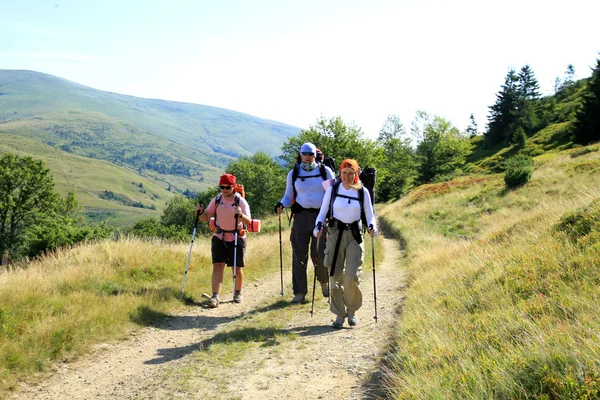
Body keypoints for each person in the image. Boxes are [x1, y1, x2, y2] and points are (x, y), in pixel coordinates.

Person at [314, 159, 377, 328]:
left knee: (351, 276)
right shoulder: (333, 190)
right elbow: (322, 212)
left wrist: (372, 227)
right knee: (334, 276)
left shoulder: (362, 192)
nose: (347, 176)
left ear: (356, 175)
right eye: (344, 173)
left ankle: (352, 311)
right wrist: (318, 226)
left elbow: (370, 215)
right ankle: (339, 316)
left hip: (354, 236)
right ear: (339, 174)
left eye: (351, 173)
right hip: (335, 235)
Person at [275, 142, 335, 304]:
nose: (308, 157)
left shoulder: (324, 171)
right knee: (298, 255)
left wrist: (331, 215)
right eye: (305, 154)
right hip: (300, 217)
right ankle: (299, 293)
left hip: (320, 218)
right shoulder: (293, 173)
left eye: (311, 154)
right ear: (300, 155)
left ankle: (324, 282)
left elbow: (332, 195)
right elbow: (288, 196)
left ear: (316, 155)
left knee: (321, 253)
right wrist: (281, 204)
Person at [196, 173, 251, 308]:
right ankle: (215, 296)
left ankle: (238, 292)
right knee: (217, 266)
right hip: (219, 237)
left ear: (233, 187)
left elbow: (248, 222)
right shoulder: (217, 200)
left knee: (236, 268)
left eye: (228, 187)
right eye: (222, 187)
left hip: (237, 236)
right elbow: (205, 218)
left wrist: (240, 215)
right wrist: (200, 212)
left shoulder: (241, 201)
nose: (225, 190)